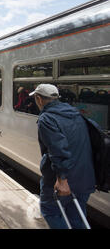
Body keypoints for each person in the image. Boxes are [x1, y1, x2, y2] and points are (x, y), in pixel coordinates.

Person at [30, 84, 95, 229]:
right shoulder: (75, 113)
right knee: (77, 217)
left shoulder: (46, 119)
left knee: (50, 212)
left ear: (39, 99)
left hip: (62, 179)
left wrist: (62, 180)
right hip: (84, 177)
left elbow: (58, 150)